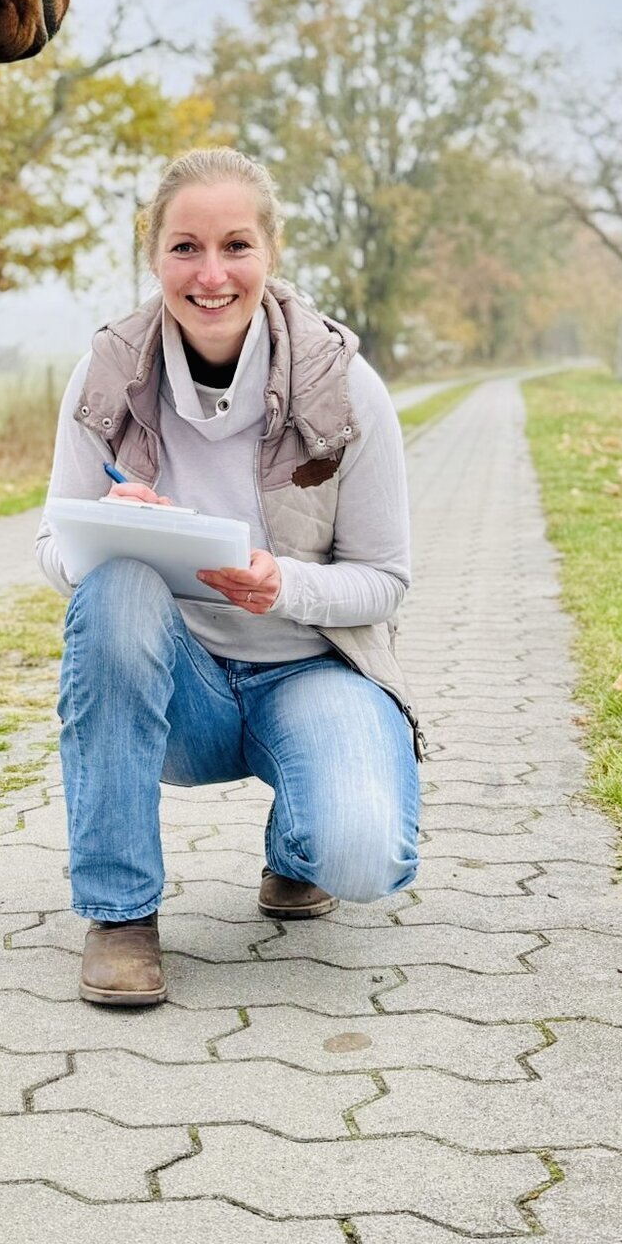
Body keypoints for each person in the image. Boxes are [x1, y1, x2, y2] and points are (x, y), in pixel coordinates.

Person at [36, 147, 420, 1006]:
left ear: (271, 254)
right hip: (179, 693)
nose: (211, 275)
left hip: (311, 668)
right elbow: (53, 547)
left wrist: (282, 584)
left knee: (364, 856)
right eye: (185, 248)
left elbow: (386, 580)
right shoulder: (105, 378)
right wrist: (113, 534)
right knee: (114, 588)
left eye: (236, 246)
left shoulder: (348, 387)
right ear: (154, 255)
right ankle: (121, 916)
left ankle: (299, 845)